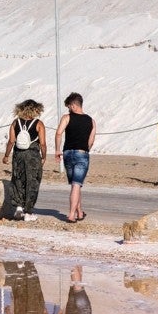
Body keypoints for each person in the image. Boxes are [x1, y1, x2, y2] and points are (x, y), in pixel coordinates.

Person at [1, 99, 46, 221]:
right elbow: (42, 143)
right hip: (33, 156)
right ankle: (28, 212)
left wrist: (6, 155)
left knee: (18, 179)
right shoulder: (39, 124)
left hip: (18, 155)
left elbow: (11, 141)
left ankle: (19, 208)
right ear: (36, 109)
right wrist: (44, 156)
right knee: (32, 182)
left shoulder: (15, 123)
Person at [54, 92, 95, 222]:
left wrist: (57, 150)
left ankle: (79, 212)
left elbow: (59, 133)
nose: (68, 109)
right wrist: (85, 150)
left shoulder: (67, 118)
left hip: (67, 153)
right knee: (76, 185)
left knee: (75, 184)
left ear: (73, 105)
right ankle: (71, 215)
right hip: (82, 153)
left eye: (68, 106)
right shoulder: (91, 121)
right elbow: (91, 141)